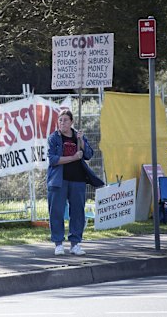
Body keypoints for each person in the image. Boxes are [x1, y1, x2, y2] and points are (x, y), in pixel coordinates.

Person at [47, 109, 104, 256]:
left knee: (78, 212)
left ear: (72, 122)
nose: (62, 122)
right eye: (60, 120)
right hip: (59, 181)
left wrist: (82, 142)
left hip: (77, 180)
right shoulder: (54, 138)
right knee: (56, 212)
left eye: (65, 120)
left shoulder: (78, 137)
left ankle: (75, 244)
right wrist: (73, 157)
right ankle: (58, 244)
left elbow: (89, 155)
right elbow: (53, 159)